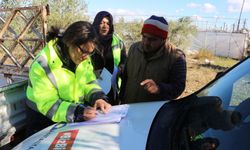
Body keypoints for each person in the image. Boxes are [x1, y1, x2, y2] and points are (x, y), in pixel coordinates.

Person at [25, 21, 111, 136]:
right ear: (71, 42)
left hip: (69, 117)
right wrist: (77, 112)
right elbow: (48, 104)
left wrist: (98, 98)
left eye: (90, 53)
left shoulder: (82, 57)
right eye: (84, 51)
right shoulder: (43, 64)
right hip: (42, 122)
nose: (86, 57)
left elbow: (89, 83)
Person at [120, 15, 187, 103]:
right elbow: (126, 77)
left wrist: (159, 88)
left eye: (152, 39)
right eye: (144, 37)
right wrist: (121, 98)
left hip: (154, 112)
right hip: (128, 106)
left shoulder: (176, 57)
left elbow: (178, 87)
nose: (146, 43)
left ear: (163, 39)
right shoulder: (134, 48)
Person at [91, 11, 127, 105]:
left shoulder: (117, 41)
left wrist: (120, 69)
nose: (105, 26)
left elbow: (124, 60)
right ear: (96, 23)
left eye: (108, 23)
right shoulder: (89, 40)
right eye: (102, 22)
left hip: (112, 86)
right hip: (92, 86)